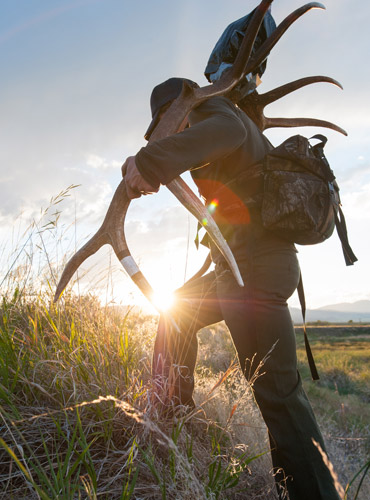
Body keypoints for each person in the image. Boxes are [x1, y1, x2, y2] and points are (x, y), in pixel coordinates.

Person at [121, 77, 341, 500]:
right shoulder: (213, 123)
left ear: (178, 108)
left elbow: (228, 133)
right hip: (237, 267)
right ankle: (173, 423)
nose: (167, 135)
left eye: (165, 126)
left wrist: (150, 163)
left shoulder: (214, 112)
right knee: (177, 314)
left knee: (278, 395)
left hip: (257, 269)